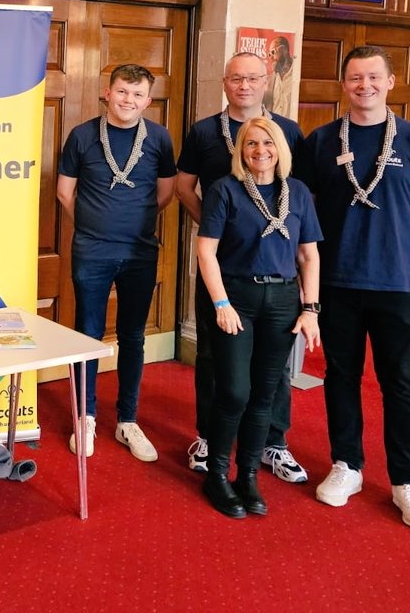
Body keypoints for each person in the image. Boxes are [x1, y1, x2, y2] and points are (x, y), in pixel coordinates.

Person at [303, 45, 410, 530]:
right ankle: (347, 465)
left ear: (391, 82)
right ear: (343, 84)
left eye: (373, 77)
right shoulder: (322, 140)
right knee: (340, 377)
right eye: (354, 78)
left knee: (400, 384)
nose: (363, 85)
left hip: (398, 285)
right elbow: (302, 212)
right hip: (339, 282)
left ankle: (406, 481)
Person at [175, 52, 311, 483]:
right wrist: (221, 233)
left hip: (276, 273)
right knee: (215, 356)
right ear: (224, 81)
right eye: (236, 78)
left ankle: (275, 441)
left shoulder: (287, 131)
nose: (245, 86)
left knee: (275, 361)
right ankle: (209, 437)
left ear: (267, 80)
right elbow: (183, 187)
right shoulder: (203, 131)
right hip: (223, 270)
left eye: (253, 78)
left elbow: (297, 197)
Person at [196, 117, 322, 518]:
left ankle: (247, 475)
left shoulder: (298, 193)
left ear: (280, 148)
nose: (260, 151)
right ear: (241, 150)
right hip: (238, 298)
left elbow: (308, 255)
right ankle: (216, 475)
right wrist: (221, 304)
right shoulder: (225, 190)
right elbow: (206, 252)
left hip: (284, 300)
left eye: (268, 143)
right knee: (234, 391)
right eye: (251, 144)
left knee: (265, 394)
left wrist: (310, 309)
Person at [57, 64, 176, 460]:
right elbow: (64, 192)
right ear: (108, 92)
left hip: (140, 252)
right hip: (92, 251)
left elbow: (164, 193)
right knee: (88, 334)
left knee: (133, 337)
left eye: (138, 94)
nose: (129, 100)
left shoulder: (159, 138)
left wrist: (130, 224)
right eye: (123, 92)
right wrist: (94, 224)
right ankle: (84, 416)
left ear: (148, 99)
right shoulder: (82, 136)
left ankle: (128, 420)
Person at [268, 36, 294, 117]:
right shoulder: (271, 79)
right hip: (274, 127)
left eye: (273, 52)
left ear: (283, 49)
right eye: (269, 54)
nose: (271, 57)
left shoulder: (296, 74)